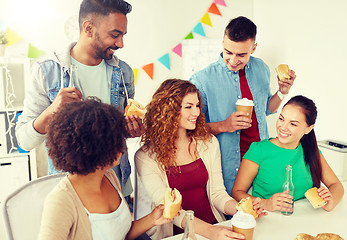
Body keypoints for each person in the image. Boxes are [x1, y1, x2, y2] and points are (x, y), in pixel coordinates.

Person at [15, 0, 144, 200]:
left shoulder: (124, 72)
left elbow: (114, 135)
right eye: (115, 34)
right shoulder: (47, 72)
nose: (121, 44)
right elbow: (24, 140)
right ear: (89, 28)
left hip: (116, 188)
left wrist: (130, 130)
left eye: (123, 35)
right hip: (71, 194)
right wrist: (52, 111)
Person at [135, 79, 264, 240]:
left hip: (214, 224)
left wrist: (241, 210)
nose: (196, 112)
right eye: (188, 107)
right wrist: (211, 232)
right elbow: (168, 209)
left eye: (197, 106)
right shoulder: (145, 157)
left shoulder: (208, 143)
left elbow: (218, 194)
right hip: (176, 234)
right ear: (168, 110)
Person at [190, 16, 296, 195]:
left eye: (241, 55)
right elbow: (190, 129)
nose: (232, 60)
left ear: (253, 48)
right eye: (228, 52)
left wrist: (282, 91)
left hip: (262, 160)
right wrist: (224, 125)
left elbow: (266, 110)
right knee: (232, 217)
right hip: (226, 166)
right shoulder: (202, 80)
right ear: (222, 42)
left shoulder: (262, 68)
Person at [38, 98, 172, 240]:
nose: (122, 148)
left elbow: (121, 234)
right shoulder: (61, 201)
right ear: (93, 148)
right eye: (114, 141)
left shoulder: (109, 177)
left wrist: (152, 219)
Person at [231, 95, 344, 212]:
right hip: (268, 219)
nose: (283, 127)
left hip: (305, 219)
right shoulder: (259, 150)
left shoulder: (311, 151)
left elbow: (336, 185)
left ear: (308, 129)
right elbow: (236, 192)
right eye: (281, 119)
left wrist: (331, 201)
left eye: (293, 124)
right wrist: (265, 204)